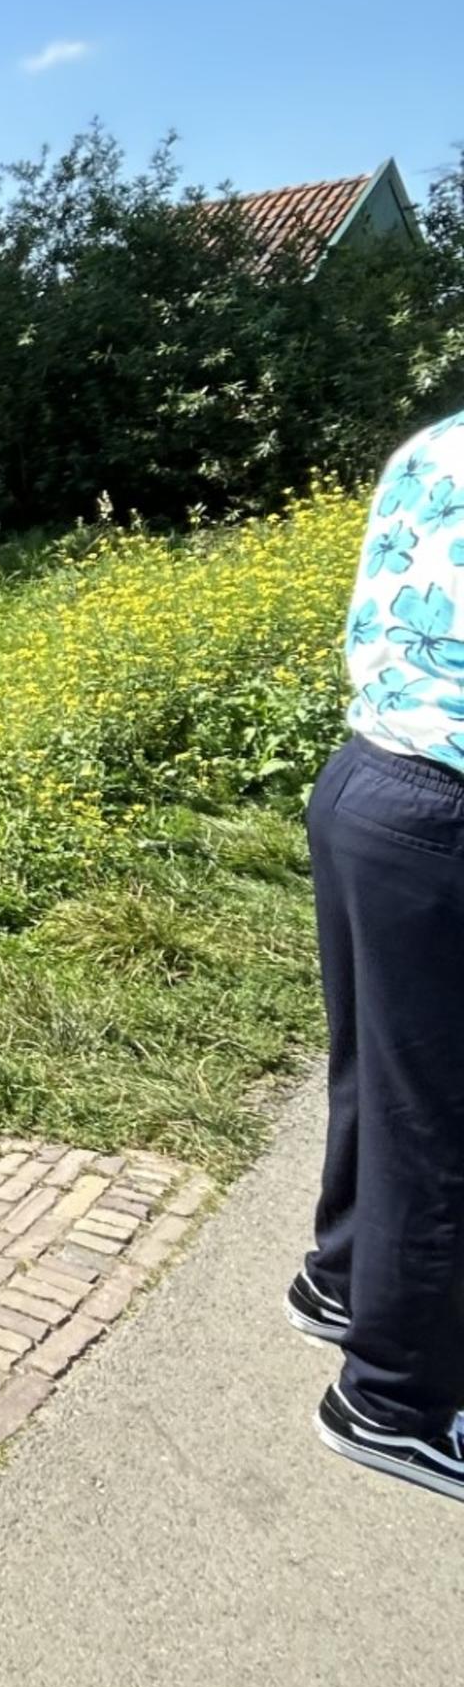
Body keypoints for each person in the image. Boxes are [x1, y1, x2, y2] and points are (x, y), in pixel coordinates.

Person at [297, 403, 464, 1502]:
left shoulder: (437, 439)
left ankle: (345, 1278)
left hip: (372, 776)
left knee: (383, 1077)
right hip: (444, 800)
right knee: (439, 1114)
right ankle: (398, 1398)